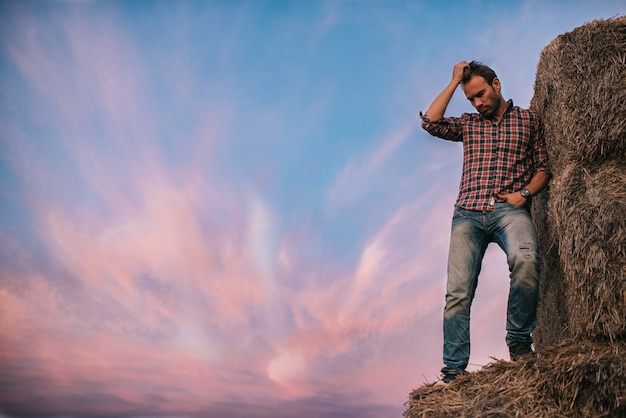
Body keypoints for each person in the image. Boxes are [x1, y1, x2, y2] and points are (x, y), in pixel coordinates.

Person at [420, 61, 550, 385]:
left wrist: (524, 193)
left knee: (527, 261)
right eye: (471, 99)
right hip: (467, 212)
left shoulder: (529, 120)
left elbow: (544, 167)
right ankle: (453, 371)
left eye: (480, 94)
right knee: (457, 293)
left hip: (508, 209)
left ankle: (519, 343)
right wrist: (453, 82)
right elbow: (431, 122)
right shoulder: (468, 124)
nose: (477, 103)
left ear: (497, 84)